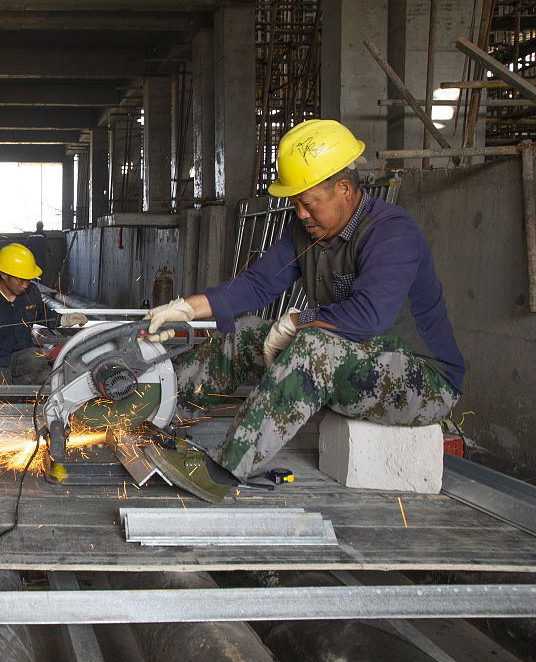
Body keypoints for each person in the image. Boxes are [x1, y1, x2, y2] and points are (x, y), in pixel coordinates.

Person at [142, 118, 465, 502]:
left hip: (421, 379)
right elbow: (257, 283)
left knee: (314, 346)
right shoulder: (309, 233)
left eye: (308, 203)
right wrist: (187, 308)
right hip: (357, 361)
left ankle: (223, 471)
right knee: (245, 332)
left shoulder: (392, 234)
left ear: (344, 189)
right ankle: (156, 413)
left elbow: (370, 317)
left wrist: (297, 322)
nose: (300, 214)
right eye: (295, 204)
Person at [0, 243, 88, 385]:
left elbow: (40, 313)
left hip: (22, 355)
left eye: (28, 280)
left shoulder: (31, 293)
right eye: (21, 280)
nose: (25, 285)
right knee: (1, 388)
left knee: (37, 358)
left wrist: (62, 319)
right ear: (4, 275)